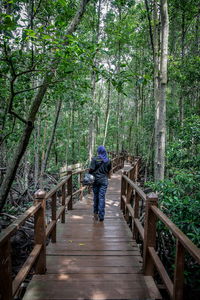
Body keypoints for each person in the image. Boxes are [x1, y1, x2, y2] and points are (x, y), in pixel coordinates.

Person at [89, 146, 111, 222]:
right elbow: (108, 170)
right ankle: (101, 216)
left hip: (95, 180)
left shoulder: (94, 159)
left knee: (96, 196)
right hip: (104, 181)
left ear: (98, 151)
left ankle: (95, 213)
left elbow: (91, 170)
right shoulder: (108, 160)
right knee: (101, 197)